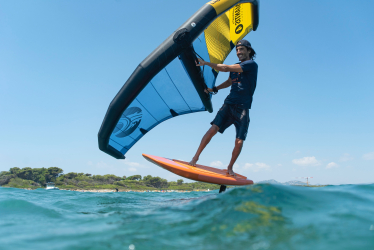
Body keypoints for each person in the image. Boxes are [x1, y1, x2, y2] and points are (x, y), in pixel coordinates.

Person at [188, 40, 258, 176]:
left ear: (249, 51)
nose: (239, 52)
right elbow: (229, 82)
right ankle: (195, 158)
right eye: (237, 50)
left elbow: (225, 68)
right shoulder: (236, 66)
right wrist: (215, 88)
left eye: (242, 49)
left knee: (239, 140)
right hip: (229, 104)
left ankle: (230, 167)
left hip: (243, 108)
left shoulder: (251, 65)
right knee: (213, 129)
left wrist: (206, 63)